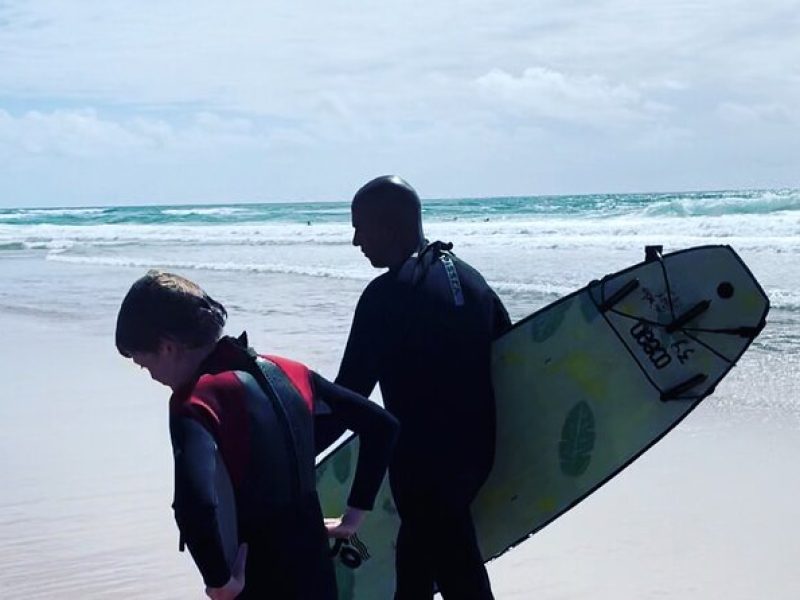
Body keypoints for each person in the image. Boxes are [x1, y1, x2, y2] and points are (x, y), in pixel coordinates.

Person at [115, 270, 398, 599]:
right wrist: (353, 517)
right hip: (316, 571)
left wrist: (219, 580)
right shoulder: (291, 372)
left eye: (144, 364)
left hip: (257, 580)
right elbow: (381, 427)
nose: (151, 376)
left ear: (167, 347)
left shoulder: (196, 401)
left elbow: (195, 504)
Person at [331, 176, 512, 599]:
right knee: (417, 572)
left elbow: (350, 396)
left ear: (389, 225)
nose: (356, 240)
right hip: (476, 458)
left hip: (422, 468)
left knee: (458, 575)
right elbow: (510, 359)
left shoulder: (385, 296)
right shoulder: (472, 282)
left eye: (361, 227)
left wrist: (291, 444)